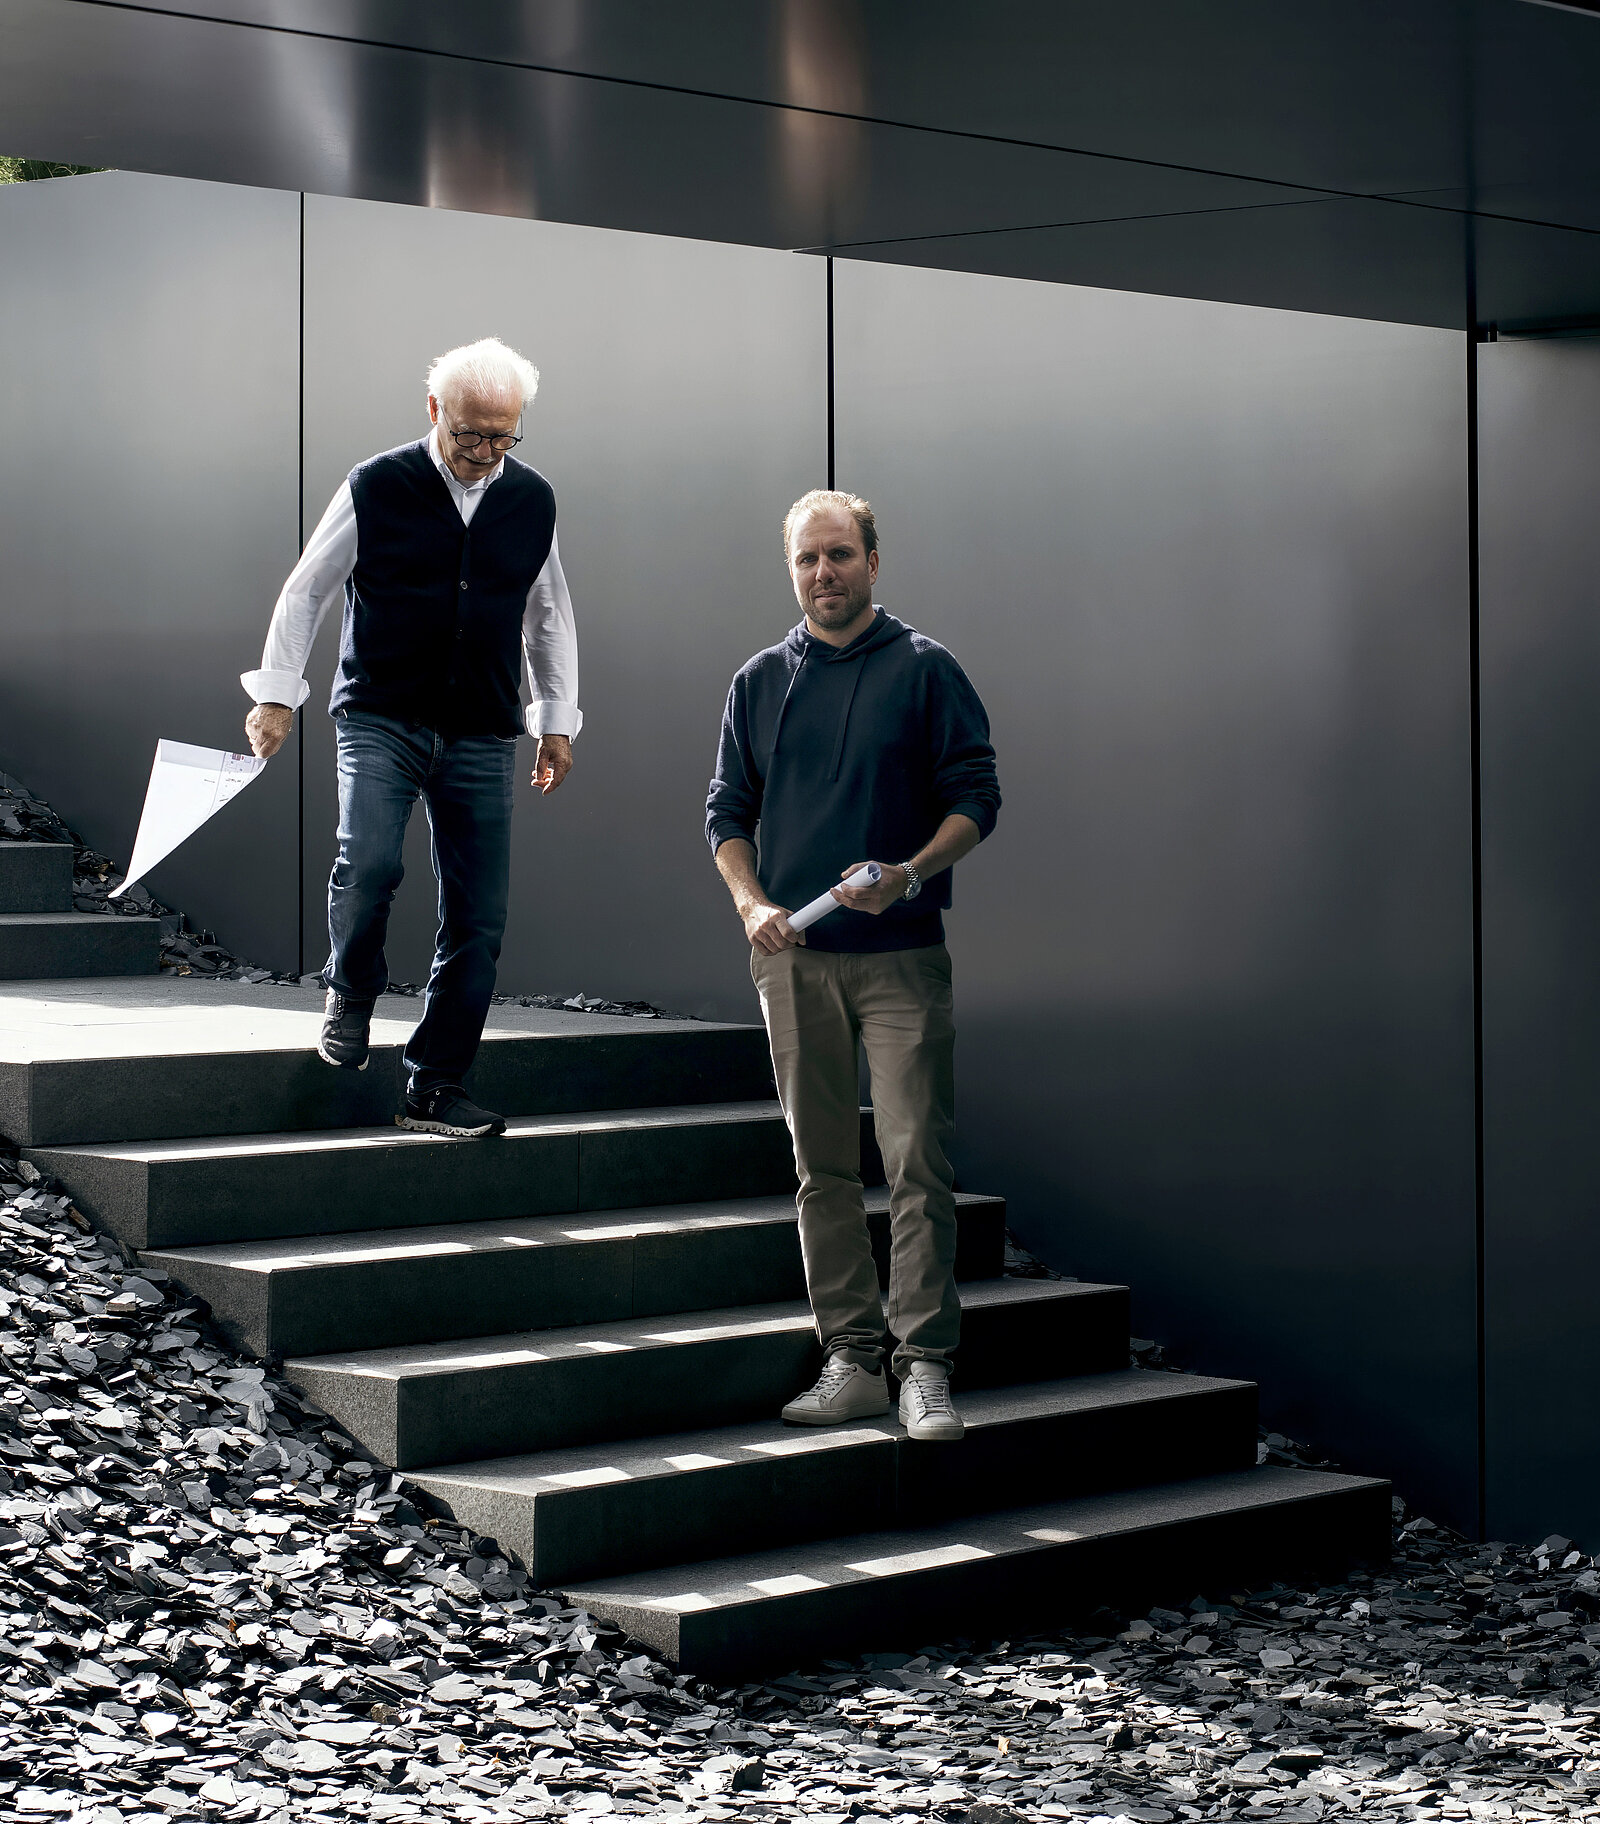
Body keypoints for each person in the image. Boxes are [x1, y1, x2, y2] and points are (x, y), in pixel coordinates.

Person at [706, 489, 1000, 1442]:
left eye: (839, 556)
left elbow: (977, 798)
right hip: (794, 962)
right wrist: (752, 904)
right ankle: (854, 1362)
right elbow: (726, 816)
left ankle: (926, 1368)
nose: (822, 574)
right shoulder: (757, 681)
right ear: (791, 570)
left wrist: (910, 873)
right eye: (807, 561)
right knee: (822, 1170)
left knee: (917, 1162)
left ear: (874, 561)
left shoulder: (926, 670)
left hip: (902, 960)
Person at [242, 336, 580, 1139]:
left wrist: (555, 721)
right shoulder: (378, 483)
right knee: (369, 861)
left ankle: (436, 1085)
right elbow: (307, 591)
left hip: (482, 729)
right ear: (436, 411)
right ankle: (350, 992)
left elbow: (548, 611)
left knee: (479, 916)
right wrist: (277, 698)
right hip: (380, 716)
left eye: (503, 436)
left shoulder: (531, 499)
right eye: (470, 434)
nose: (485, 453)